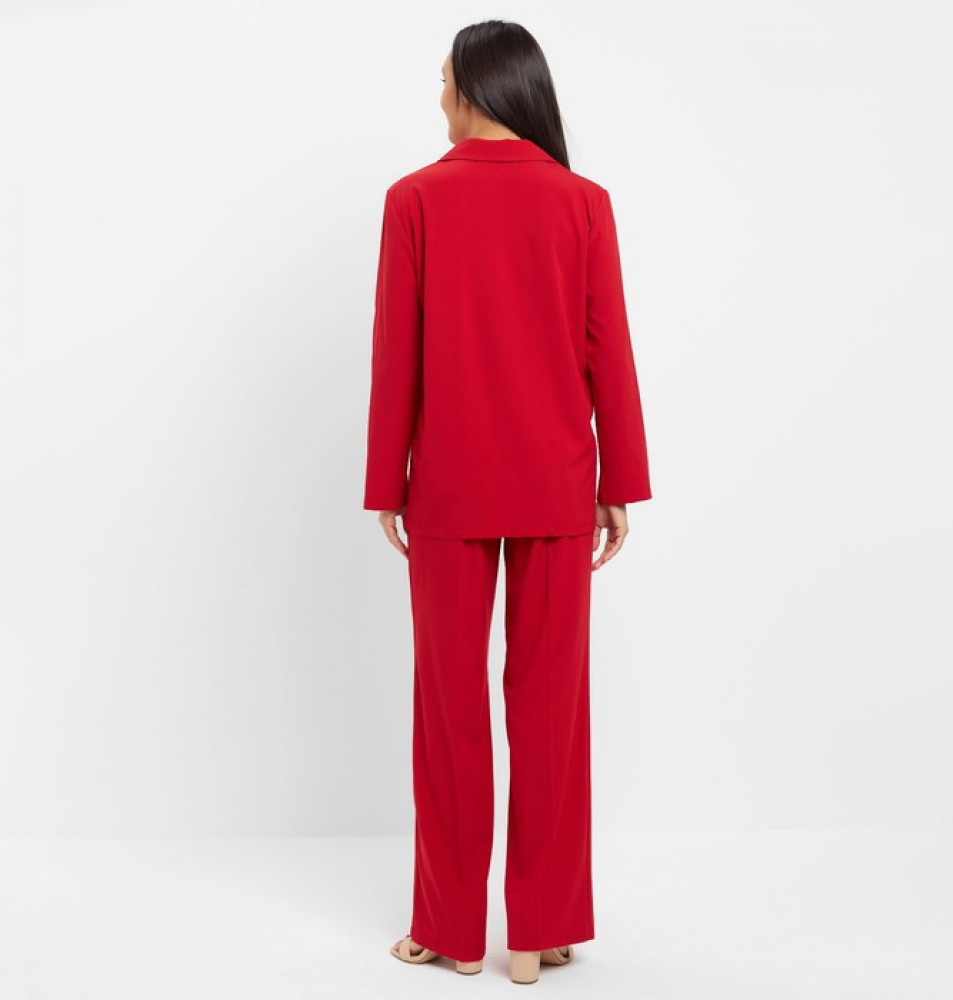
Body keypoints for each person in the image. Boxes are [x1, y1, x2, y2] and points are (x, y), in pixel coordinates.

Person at [363, 19, 652, 986]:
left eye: (444, 80)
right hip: (558, 484)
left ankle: (451, 930)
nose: (438, 97)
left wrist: (387, 484)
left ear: (476, 89)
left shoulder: (414, 200)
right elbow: (608, 351)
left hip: (447, 488)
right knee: (553, 713)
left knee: (448, 714)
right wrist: (620, 484)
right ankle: (541, 931)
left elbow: (396, 354)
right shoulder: (582, 203)